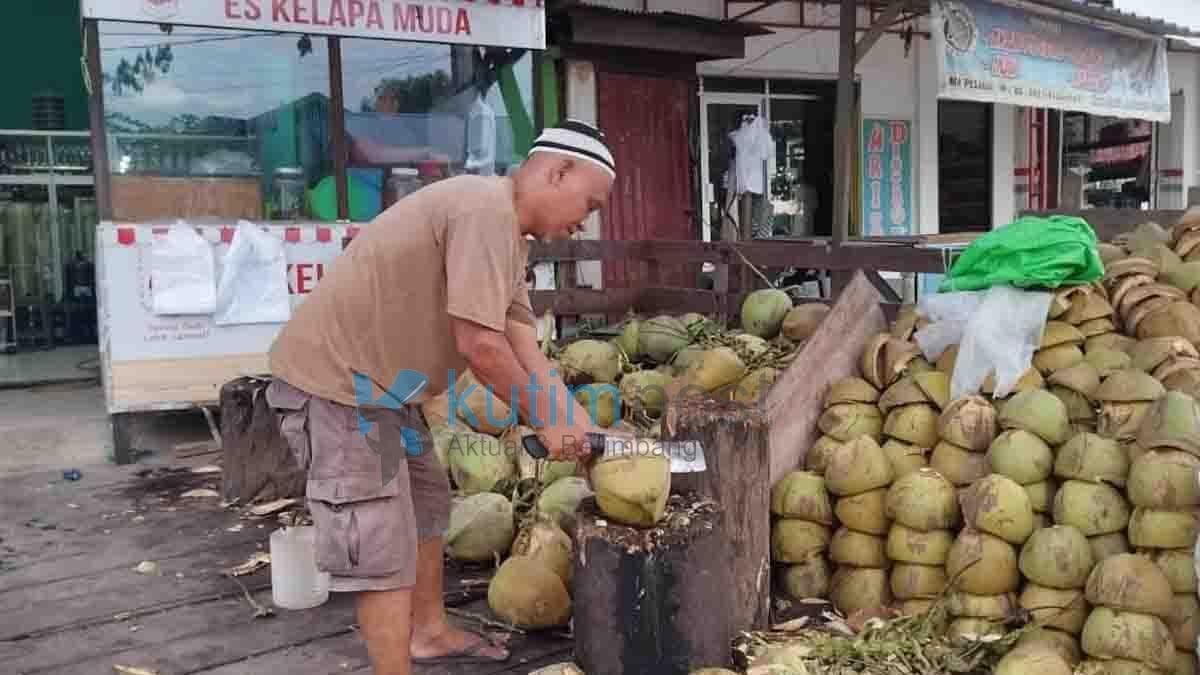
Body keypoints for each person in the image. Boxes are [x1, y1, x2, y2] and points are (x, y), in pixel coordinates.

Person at [265, 119, 616, 674]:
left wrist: (577, 425)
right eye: (589, 202)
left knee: (425, 504)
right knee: (379, 534)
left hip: (386, 394)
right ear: (558, 170)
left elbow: (524, 344)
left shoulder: (508, 236)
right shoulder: (483, 212)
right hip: (339, 388)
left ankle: (426, 633)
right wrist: (541, 421)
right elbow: (480, 345)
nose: (586, 219)